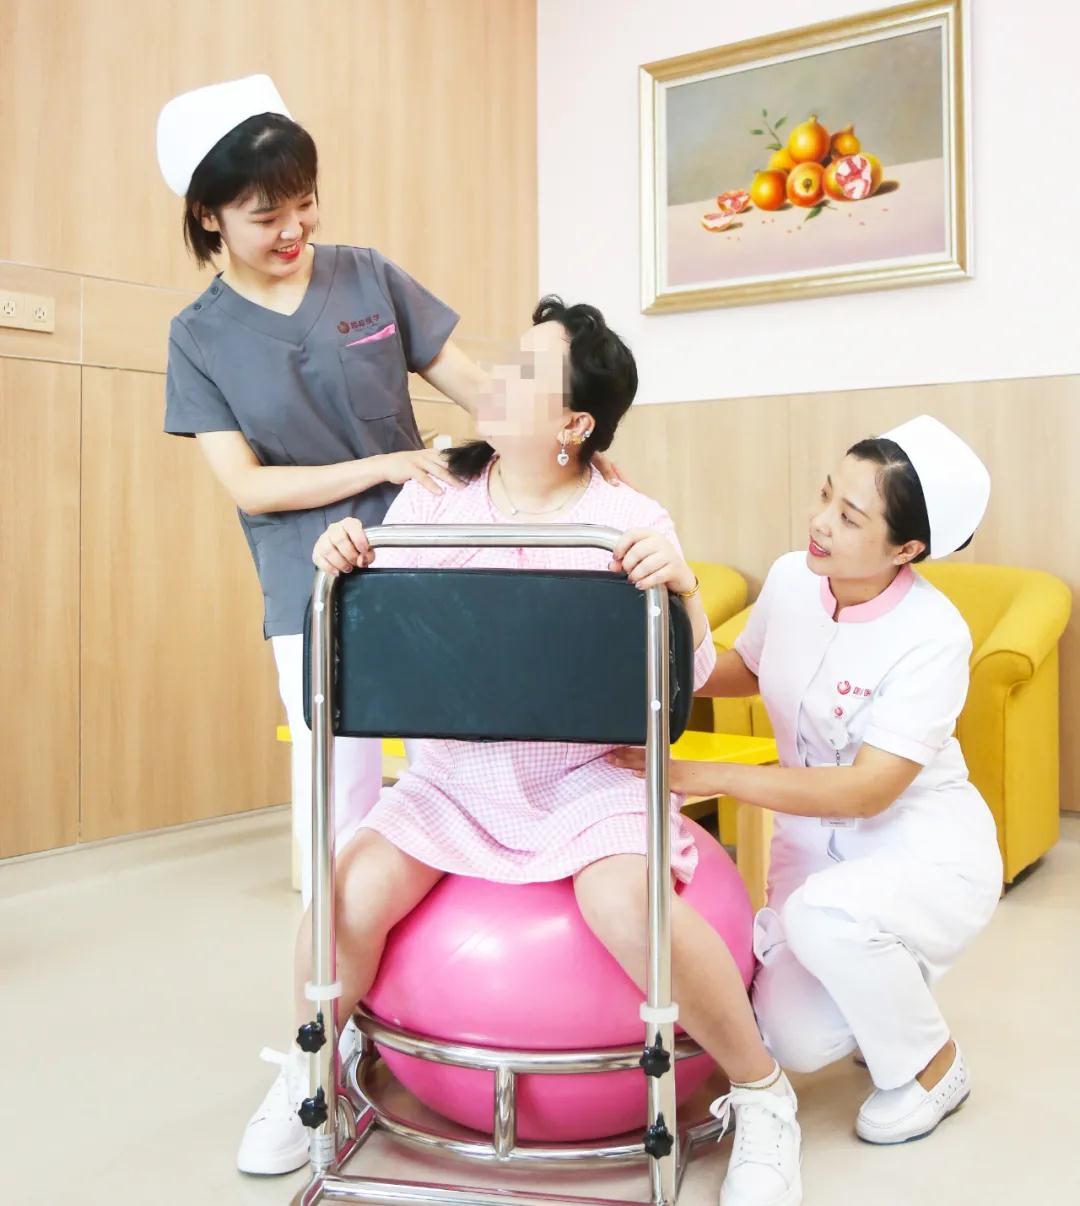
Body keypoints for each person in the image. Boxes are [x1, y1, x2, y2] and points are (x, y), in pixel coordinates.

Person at [242, 298, 805, 1206]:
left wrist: (683, 589)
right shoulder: (435, 499)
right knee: (346, 892)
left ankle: (764, 1093)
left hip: (586, 777)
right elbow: (381, 631)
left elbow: (689, 676)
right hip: (454, 779)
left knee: (627, 902)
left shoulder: (628, 516)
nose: (497, 379)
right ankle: (315, 1067)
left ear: (574, 425)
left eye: (526, 372)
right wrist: (345, 557)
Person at [157, 74, 623, 903]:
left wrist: (570, 443)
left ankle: (481, 937)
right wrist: (378, 467)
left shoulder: (366, 276)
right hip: (310, 575)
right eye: (266, 215)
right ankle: (334, 967)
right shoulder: (197, 336)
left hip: (433, 550)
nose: (294, 228)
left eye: (306, 202)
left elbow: (479, 389)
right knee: (338, 783)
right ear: (208, 215)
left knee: (476, 756)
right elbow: (249, 486)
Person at [613, 415, 1002, 1149]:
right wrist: (657, 648)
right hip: (814, 849)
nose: (821, 522)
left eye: (850, 517)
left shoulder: (934, 634)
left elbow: (867, 791)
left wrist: (707, 774)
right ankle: (880, 983)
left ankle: (933, 1065)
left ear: (907, 550)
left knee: (828, 919)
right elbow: (747, 668)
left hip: (922, 849)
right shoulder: (796, 577)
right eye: (827, 495)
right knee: (788, 1037)